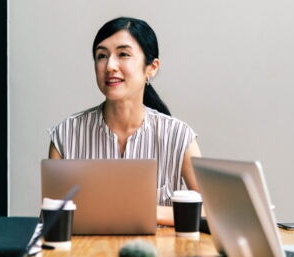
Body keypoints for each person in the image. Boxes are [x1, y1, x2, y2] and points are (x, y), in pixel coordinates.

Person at [48, 17, 203, 225]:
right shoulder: (65, 135)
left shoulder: (180, 137)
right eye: (102, 56)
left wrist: (145, 211)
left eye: (123, 54)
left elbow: (210, 211)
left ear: (152, 68)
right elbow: (52, 220)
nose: (110, 65)